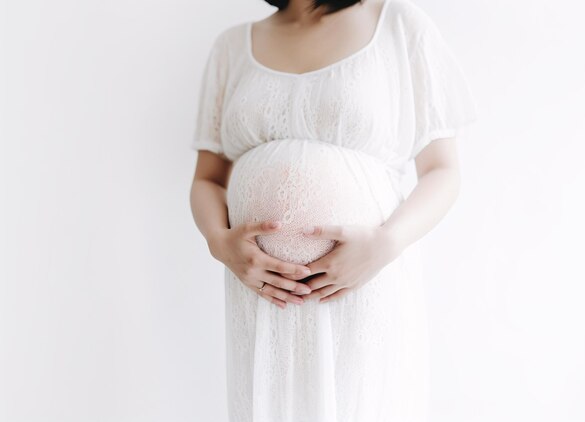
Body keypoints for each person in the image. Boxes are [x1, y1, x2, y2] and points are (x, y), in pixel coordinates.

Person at [189, 0, 478, 420]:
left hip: (364, 283)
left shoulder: (397, 24)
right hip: (261, 294)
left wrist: (385, 243)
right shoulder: (231, 47)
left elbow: (443, 171)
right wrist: (220, 243)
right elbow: (207, 179)